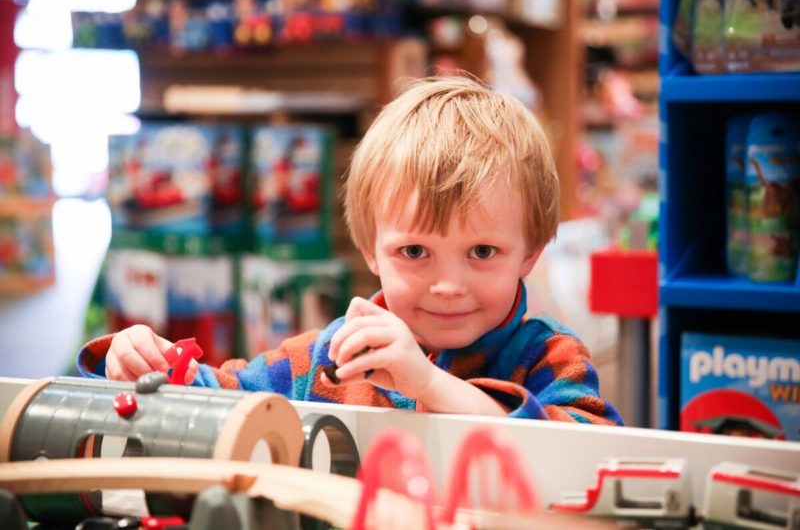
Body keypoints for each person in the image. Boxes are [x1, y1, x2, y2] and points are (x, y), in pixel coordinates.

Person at [78, 76, 623, 425]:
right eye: (414, 251)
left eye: (482, 251)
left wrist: (427, 383)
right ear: (370, 250)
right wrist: (146, 360)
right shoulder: (325, 358)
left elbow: (584, 450)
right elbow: (226, 397)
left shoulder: (550, 359)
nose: (448, 284)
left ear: (530, 253)